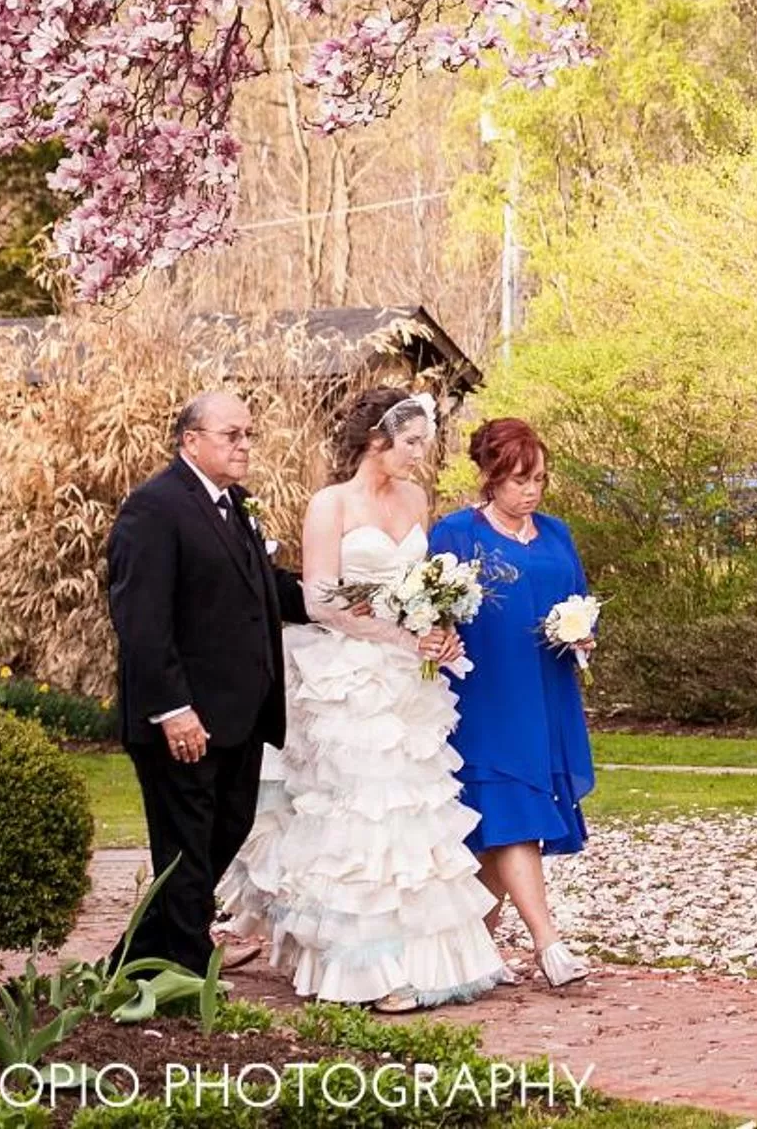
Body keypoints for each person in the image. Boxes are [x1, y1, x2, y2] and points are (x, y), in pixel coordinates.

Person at [215, 386, 508, 1012]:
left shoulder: (415, 499)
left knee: (413, 807)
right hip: (348, 673)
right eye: (410, 444)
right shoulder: (331, 504)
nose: (417, 457)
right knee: (360, 811)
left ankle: (425, 955)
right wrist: (402, 625)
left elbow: (422, 584)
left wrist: (439, 622)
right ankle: (366, 968)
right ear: (377, 439)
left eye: (423, 445)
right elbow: (321, 598)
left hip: (409, 678)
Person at [107, 391, 313, 974]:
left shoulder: (236, 503)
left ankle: (135, 963)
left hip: (240, 715)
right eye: (232, 435)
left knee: (222, 832)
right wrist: (173, 709)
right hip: (186, 717)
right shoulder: (154, 508)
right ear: (190, 440)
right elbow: (141, 620)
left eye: (249, 434)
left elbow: (260, 586)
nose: (245, 444)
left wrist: (336, 597)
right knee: (185, 849)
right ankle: (189, 975)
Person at [430, 417, 596, 989]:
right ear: (490, 477)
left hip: (545, 690)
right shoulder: (455, 534)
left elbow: (579, 599)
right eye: (520, 479)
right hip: (485, 695)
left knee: (492, 832)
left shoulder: (556, 534)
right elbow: (433, 611)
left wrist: (580, 634)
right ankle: (549, 945)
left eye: (540, 480)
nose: (531, 491)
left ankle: (470, 952)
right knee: (510, 812)